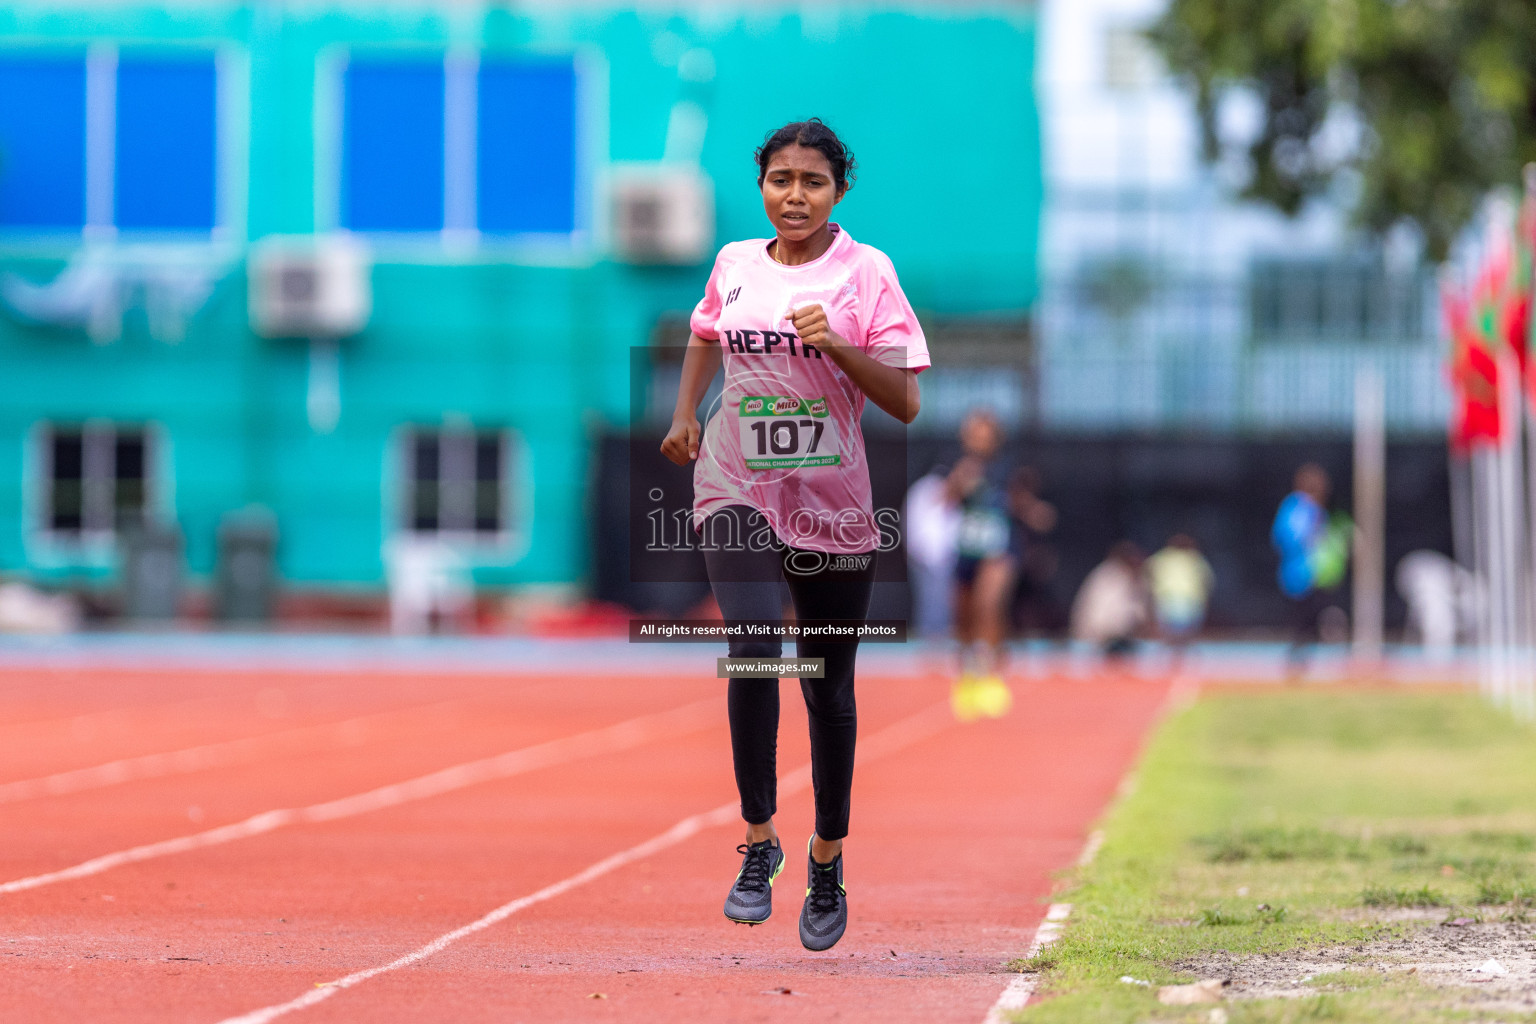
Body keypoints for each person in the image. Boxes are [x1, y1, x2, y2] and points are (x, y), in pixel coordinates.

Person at [660, 119, 928, 952]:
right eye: (781, 179)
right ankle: (758, 839)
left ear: (838, 191)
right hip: (736, 483)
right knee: (753, 647)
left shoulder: (867, 272)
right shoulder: (735, 264)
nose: (795, 195)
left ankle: (825, 856)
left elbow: (908, 401)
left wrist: (840, 345)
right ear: (762, 186)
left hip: (830, 502)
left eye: (813, 181)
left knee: (827, 687)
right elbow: (706, 331)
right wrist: (683, 416)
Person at [947, 410, 1016, 721]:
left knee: (988, 606)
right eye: (973, 433)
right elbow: (947, 498)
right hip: (966, 548)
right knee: (963, 614)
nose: (978, 440)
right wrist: (960, 479)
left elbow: (1019, 500)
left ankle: (989, 676)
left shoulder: (1006, 468)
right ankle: (966, 678)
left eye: (984, 434)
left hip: (997, 549)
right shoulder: (957, 466)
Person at [1270, 463, 1346, 674]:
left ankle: (1302, 661)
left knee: (1311, 622)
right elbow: (1287, 538)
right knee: (1304, 622)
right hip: (1300, 575)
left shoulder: (1314, 509)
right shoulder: (1299, 507)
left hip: (1317, 575)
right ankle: (1296, 662)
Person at [904, 464, 960, 640]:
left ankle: (941, 635)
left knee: (943, 599)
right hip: (923, 557)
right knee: (928, 598)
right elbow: (912, 522)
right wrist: (916, 551)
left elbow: (954, 527)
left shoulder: (953, 497)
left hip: (945, 560)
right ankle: (928, 636)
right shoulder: (922, 491)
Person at [1070, 541, 1149, 659]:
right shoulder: (1110, 576)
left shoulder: (1136, 580)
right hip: (1096, 644)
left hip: (1117, 642)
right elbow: (1102, 623)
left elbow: (1141, 618)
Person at [1146, 534, 1214, 668]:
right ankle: (1172, 662)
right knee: (1179, 636)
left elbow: (1148, 575)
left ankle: (1173, 662)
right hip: (1176, 600)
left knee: (1174, 636)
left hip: (1180, 601)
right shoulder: (1193, 558)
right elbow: (1207, 582)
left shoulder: (1166, 558)